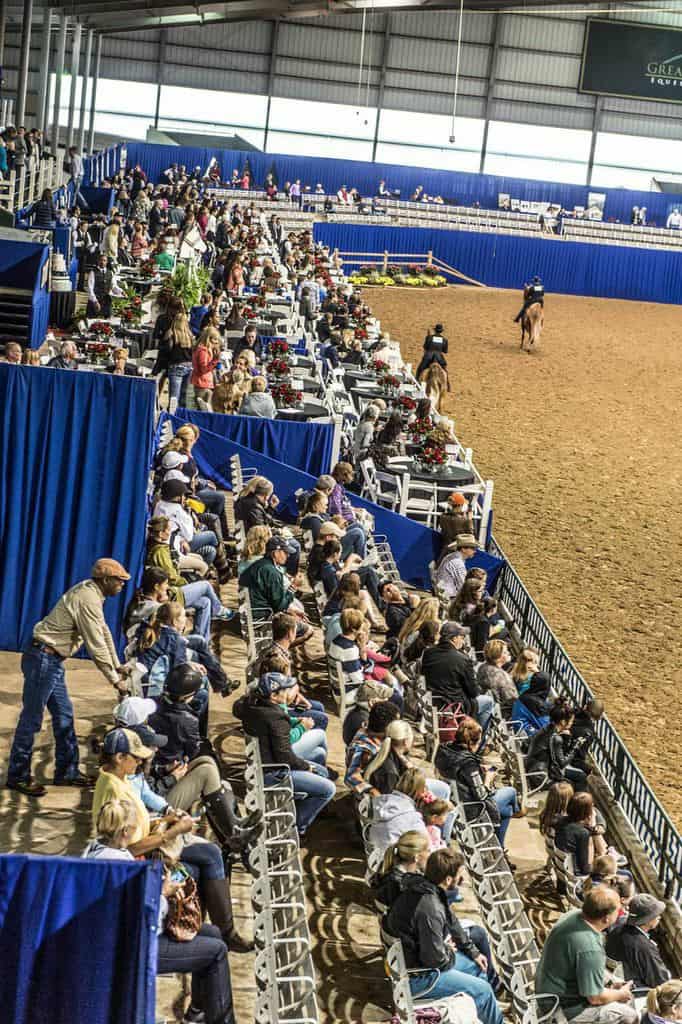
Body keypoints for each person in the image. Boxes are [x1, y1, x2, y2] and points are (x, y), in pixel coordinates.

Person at [83, 798, 237, 1024]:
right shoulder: (120, 868)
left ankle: (199, 1012)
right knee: (216, 952)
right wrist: (164, 893)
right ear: (125, 831)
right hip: (133, 946)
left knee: (213, 933)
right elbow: (143, 919)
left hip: (121, 938)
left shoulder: (95, 851)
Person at [6, 559, 132, 797]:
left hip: (51, 661)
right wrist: (115, 680)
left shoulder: (92, 594)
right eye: (120, 580)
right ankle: (18, 775)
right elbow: (95, 644)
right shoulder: (87, 598)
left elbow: (103, 631)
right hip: (43, 659)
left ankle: (67, 771)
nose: (123, 585)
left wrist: (118, 665)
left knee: (64, 715)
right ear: (106, 580)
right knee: (31, 720)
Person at [384, 848, 503, 1024]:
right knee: (484, 990)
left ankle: (481, 1015)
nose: (463, 879)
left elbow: (452, 921)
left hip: (413, 964)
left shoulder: (425, 887)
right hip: (418, 978)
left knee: (478, 966)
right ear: (448, 879)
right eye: (460, 875)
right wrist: (449, 951)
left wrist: (473, 952)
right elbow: (435, 960)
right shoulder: (429, 908)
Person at [234, 671, 336, 836]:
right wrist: (306, 767)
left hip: (266, 765)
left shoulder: (255, 705)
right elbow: (285, 757)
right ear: (274, 696)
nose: (290, 691)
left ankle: (309, 802)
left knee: (319, 757)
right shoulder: (274, 718)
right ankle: (296, 828)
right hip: (274, 773)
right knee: (329, 788)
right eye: (286, 689)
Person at [535, 886, 639, 1024]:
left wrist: (611, 981)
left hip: (546, 988)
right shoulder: (590, 949)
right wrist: (620, 994)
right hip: (561, 1008)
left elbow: (583, 964)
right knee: (630, 1016)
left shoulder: (572, 915)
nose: (622, 912)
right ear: (606, 918)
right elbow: (595, 998)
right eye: (618, 910)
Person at [436, 717, 523, 853]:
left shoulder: (443, 750)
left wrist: (477, 769)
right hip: (471, 808)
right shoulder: (468, 763)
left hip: (454, 799)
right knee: (510, 791)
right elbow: (481, 795)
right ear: (472, 743)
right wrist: (488, 778)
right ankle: (519, 811)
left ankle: (500, 848)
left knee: (506, 811)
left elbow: (457, 770)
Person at [421, 621, 493, 733]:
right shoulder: (463, 659)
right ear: (454, 639)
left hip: (433, 701)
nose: (463, 641)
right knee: (488, 701)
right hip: (453, 706)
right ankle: (477, 741)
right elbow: (473, 692)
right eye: (462, 637)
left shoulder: (428, 653)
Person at [605, 894, 670, 990]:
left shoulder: (618, 927)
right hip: (631, 987)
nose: (659, 917)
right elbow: (660, 982)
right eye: (656, 915)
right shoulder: (644, 948)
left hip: (613, 975)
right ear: (647, 920)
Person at [525, 703, 590, 792]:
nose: (572, 724)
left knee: (580, 776)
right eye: (571, 721)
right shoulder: (556, 738)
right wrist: (576, 746)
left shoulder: (546, 729)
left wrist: (567, 740)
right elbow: (562, 764)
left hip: (533, 770)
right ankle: (578, 804)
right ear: (563, 722)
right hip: (541, 777)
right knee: (573, 783)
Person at [344, 700, 400, 796]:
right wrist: (373, 792)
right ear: (387, 727)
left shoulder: (368, 730)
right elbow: (351, 777)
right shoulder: (364, 748)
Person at [435, 534, 480, 601]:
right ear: (463, 549)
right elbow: (463, 587)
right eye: (473, 548)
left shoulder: (451, 556)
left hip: (442, 593)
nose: (475, 551)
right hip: (448, 597)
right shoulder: (458, 563)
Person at [86, 252, 123, 319]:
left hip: (106, 301)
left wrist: (121, 291)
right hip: (95, 300)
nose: (102, 262)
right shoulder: (93, 272)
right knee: (92, 321)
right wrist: (95, 301)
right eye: (101, 260)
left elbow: (113, 286)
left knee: (107, 321)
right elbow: (90, 288)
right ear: (98, 261)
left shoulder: (110, 273)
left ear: (107, 262)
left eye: (104, 260)